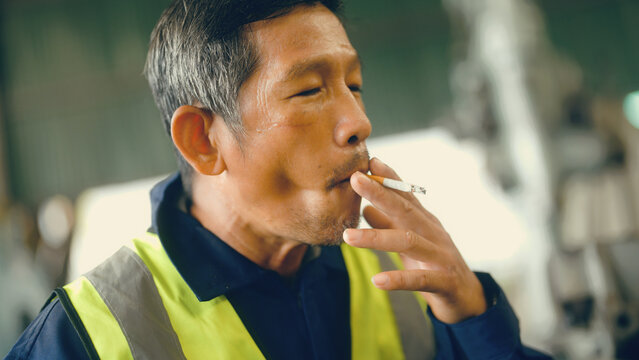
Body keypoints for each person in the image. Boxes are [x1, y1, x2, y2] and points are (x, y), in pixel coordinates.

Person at [6, 1, 552, 359]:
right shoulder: (86, 336)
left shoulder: (408, 285)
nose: (359, 123)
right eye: (310, 91)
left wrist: (474, 311)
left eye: (354, 85)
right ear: (204, 139)